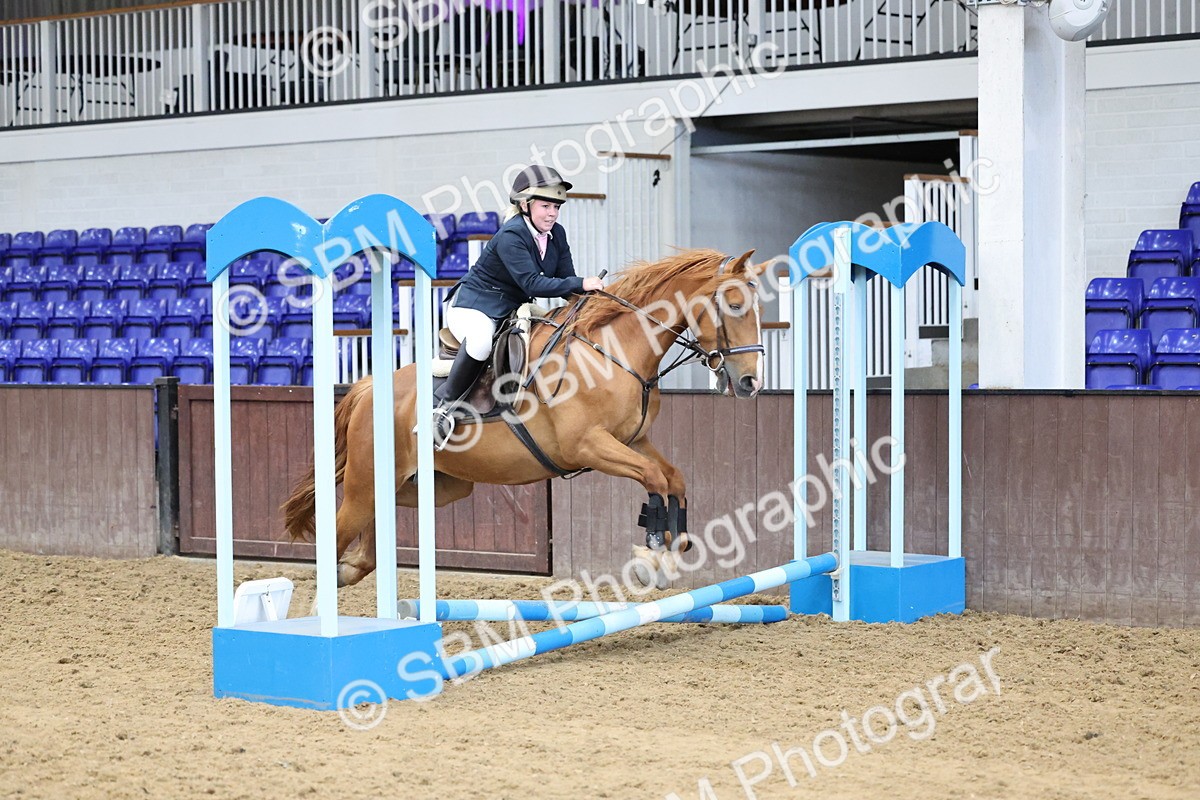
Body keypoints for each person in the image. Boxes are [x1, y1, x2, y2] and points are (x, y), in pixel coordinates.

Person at [431, 164, 605, 448]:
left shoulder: (556, 234)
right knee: (480, 343)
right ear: (525, 205)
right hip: (476, 306)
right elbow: (533, 284)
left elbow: (565, 280)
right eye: (546, 206)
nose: (552, 213)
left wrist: (590, 303)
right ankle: (442, 410)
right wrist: (581, 283)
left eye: (556, 207)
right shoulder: (511, 235)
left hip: (512, 309)